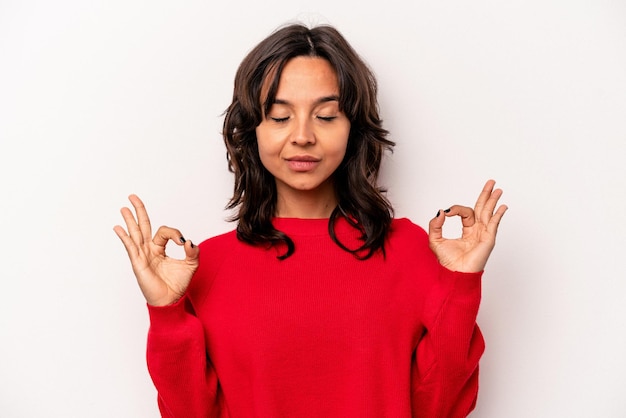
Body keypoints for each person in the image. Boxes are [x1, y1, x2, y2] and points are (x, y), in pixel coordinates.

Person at [113, 22, 507, 418]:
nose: (302, 136)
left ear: (353, 128)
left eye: (326, 116)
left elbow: (439, 407)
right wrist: (167, 310)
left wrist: (460, 285)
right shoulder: (204, 267)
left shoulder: (409, 250)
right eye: (280, 117)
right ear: (252, 131)